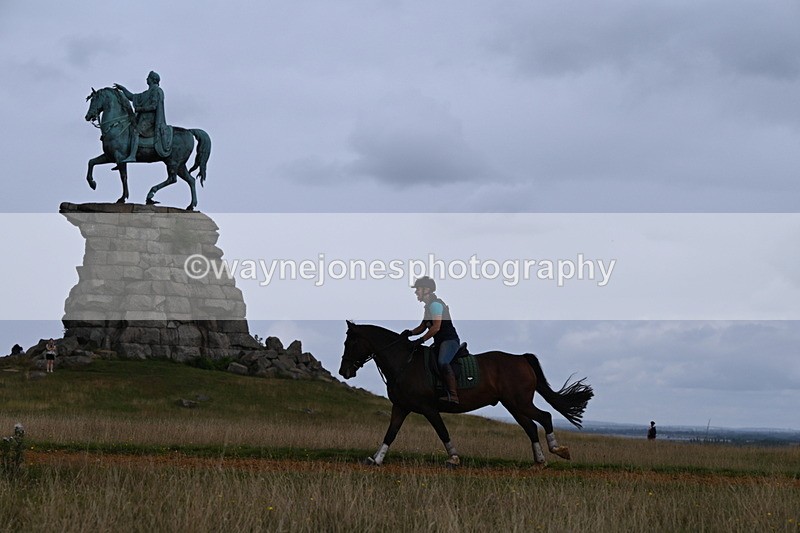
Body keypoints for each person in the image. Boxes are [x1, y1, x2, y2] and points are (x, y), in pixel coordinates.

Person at [402, 276, 461, 404]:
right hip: (439, 342)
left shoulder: (435, 305)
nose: (416, 292)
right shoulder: (428, 307)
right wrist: (410, 333)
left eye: (418, 289)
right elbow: (423, 326)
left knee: (442, 362)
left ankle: (453, 394)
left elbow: (436, 327)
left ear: (426, 290)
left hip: (449, 340)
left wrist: (421, 340)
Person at [114, 71, 172, 161]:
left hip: (151, 120)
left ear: (152, 80)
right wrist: (123, 89)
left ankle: (132, 156)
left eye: (148, 78)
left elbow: (154, 106)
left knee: (135, 131)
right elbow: (132, 97)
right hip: (143, 119)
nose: (146, 79)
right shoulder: (147, 93)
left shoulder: (157, 91)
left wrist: (140, 109)